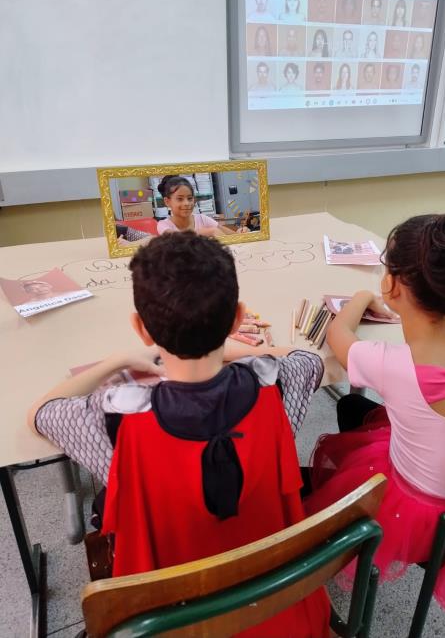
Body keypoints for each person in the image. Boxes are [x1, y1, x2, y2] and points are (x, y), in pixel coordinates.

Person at [28, 232, 330, 637]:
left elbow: (40, 414)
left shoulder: (117, 418)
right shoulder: (277, 385)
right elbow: (306, 358)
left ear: (141, 329)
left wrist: (118, 360)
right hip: (275, 604)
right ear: (239, 318)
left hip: (171, 620)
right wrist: (239, 349)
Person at [306, 211, 445, 613]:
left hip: (416, 505)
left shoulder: (392, 364)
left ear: (392, 282)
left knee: (350, 412)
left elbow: (337, 334)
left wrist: (364, 299)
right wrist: (415, 308)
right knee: (353, 406)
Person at [155, 176, 228, 236]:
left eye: (190, 198)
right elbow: (177, 239)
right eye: (180, 199)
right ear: (167, 201)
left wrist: (238, 232)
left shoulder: (202, 219)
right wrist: (211, 231)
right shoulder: (163, 225)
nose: (186, 203)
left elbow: (230, 235)